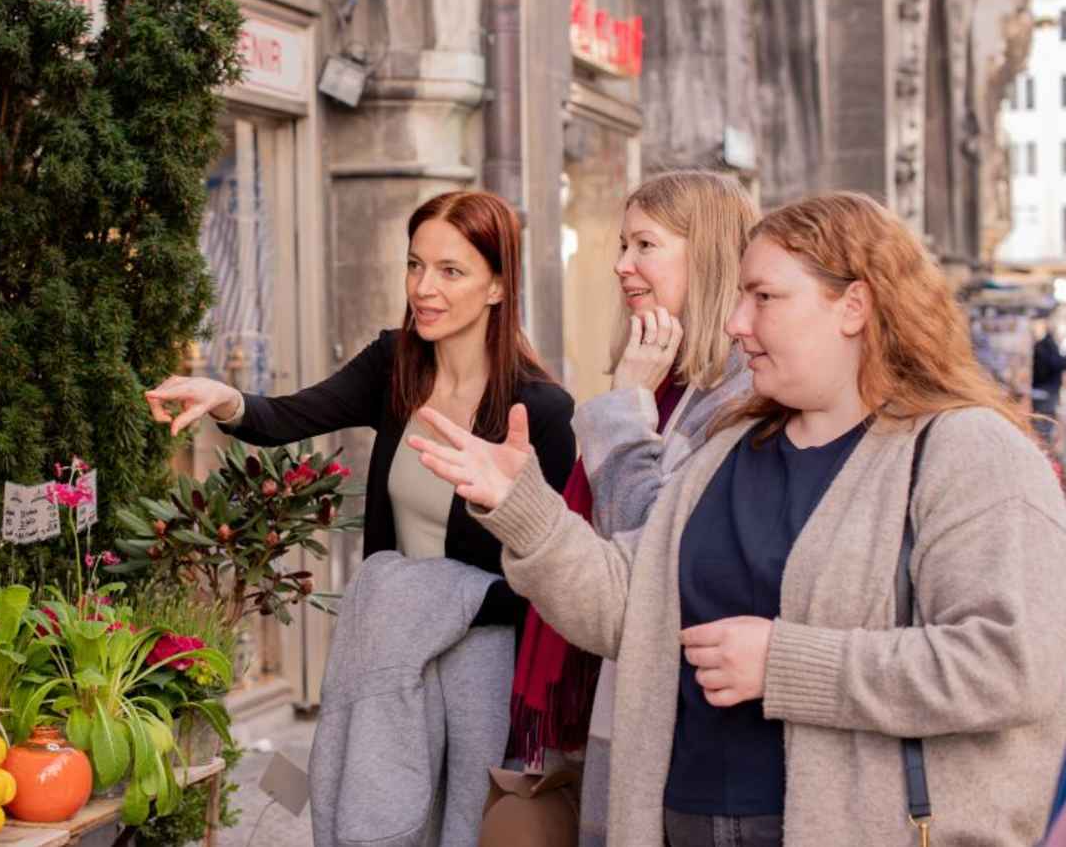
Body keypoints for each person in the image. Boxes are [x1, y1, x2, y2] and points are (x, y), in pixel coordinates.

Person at [411, 191, 1066, 846]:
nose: (735, 324)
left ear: (854, 306)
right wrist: (523, 509)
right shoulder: (728, 451)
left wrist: (786, 664)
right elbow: (633, 615)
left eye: (764, 297)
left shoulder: (967, 451)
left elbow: (1012, 666)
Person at [144, 188, 577, 626]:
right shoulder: (393, 363)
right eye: (415, 265)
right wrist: (224, 397)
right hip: (390, 644)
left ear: (497, 286)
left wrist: (439, 604)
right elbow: (284, 418)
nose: (424, 288)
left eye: (450, 271)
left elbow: (553, 577)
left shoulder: (541, 411)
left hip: (487, 666)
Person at [499, 172, 755, 847]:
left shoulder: (740, 395)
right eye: (621, 243)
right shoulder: (666, 378)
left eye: (645, 244)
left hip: (689, 718)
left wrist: (623, 408)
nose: (621, 264)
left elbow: (647, 550)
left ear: (708, 256)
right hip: (625, 691)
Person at [1032, 316, 1066, 450]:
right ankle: (1044, 449)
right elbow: (1054, 363)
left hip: (1042, 389)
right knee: (1044, 424)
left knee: (1043, 423)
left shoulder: (1043, 345)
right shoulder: (1047, 345)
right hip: (1046, 390)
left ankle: (1044, 448)